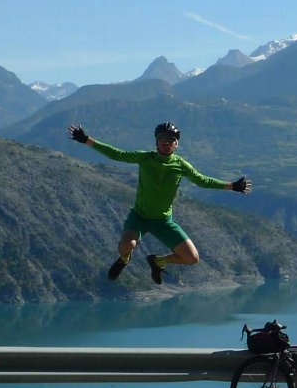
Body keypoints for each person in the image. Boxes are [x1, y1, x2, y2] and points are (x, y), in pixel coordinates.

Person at [67, 121, 252, 285]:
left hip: (164, 221)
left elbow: (202, 181)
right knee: (127, 245)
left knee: (192, 258)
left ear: (176, 144)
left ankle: (158, 262)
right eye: (162, 138)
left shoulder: (181, 166)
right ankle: (124, 259)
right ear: (156, 142)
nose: (166, 142)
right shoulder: (145, 158)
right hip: (139, 217)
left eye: (171, 139)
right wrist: (86, 140)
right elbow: (117, 154)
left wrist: (233, 186)